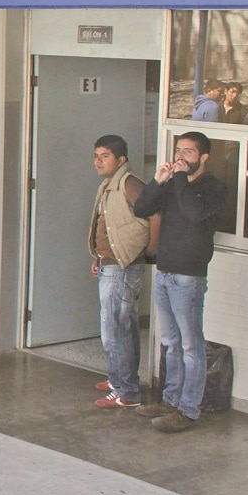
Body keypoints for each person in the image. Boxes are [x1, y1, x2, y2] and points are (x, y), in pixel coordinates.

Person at [133, 130, 226, 433]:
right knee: (170, 342)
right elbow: (141, 208)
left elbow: (194, 213)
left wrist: (181, 178)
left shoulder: (213, 188)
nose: (180, 157)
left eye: (188, 151)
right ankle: (170, 400)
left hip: (189, 276)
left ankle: (188, 410)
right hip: (164, 271)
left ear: (204, 157)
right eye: (178, 150)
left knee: (190, 345)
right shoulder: (174, 183)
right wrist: (158, 181)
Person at [88, 135, 154, 410]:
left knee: (115, 328)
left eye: (105, 156)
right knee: (120, 325)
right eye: (97, 156)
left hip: (123, 267)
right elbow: (107, 227)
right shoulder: (109, 185)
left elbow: (154, 215)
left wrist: (150, 251)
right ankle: (119, 380)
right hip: (110, 264)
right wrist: (99, 257)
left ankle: (127, 391)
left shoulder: (129, 183)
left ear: (121, 159)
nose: (98, 161)